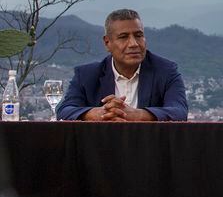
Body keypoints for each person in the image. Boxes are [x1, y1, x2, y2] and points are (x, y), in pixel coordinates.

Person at [56, 8, 188, 121]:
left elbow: (179, 112)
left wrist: (139, 115)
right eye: (124, 37)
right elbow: (64, 111)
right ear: (107, 42)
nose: (133, 44)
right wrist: (98, 113)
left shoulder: (166, 71)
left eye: (138, 35)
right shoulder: (86, 75)